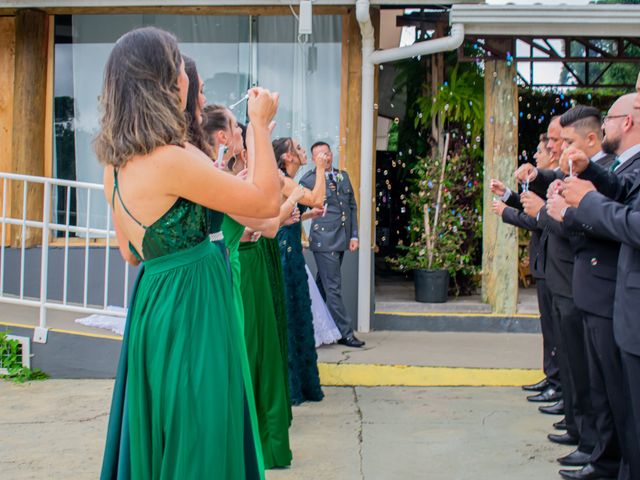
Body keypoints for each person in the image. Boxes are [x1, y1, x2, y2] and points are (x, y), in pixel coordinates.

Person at [97, 27, 281, 479]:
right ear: (163, 80)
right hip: (193, 308)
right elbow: (266, 203)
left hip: (154, 307)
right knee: (201, 430)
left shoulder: (114, 167)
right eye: (179, 65)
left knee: (169, 427)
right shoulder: (172, 158)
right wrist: (258, 124)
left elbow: (129, 253)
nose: (186, 76)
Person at [552, 88, 640, 480]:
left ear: (630, 119)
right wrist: (590, 174)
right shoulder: (621, 166)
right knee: (617, 403)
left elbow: (629, 222)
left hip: (613, 294)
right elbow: (623, 195)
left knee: (624, 408)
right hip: (613, 296)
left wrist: (582, 204)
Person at [517, 116, 599, 465]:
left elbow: (579, 226)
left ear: (590, 139)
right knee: (566, 352)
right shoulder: (568, 174)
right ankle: (576, 422)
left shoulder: (600, 175)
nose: (553, 148)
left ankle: (591, 439)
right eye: (552, 142)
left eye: (562, 141)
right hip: (560, 273)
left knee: (584, 365)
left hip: (577, 279)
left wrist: (542, 213)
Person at [490, 132, 562, 404]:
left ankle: (557, 382)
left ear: (552, 154)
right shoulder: (546, 180)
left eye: (540, 152)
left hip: (552, 263)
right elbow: (530, 209)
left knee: (556, 329)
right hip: (544, 262)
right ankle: (551, 376)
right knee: (549, 327)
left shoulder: (555, 181)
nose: (535, 157)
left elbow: (536, 219)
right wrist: (508, 194)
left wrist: (505, 212)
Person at [273, 137, 326, 405]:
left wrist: (306, 216)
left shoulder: (286, 181)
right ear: (287, 158)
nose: (302, 151)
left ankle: (301, 384)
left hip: (292, 249)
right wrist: (320, 167)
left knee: (297, 314)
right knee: (291, 315)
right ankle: (293, 385)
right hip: (286, 253)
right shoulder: (282, 180)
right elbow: (317, 198)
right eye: (296, 148)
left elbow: (288, 217)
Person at [299, 142, 364, 348]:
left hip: (342, 239)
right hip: (324, 240)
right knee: (333, 287)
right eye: (319, 155)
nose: (324, 158)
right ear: (312, 159)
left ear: (331, 154)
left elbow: (351, 206)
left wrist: (353, 235)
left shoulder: (342, 176)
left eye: (326, 153)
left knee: (322, 287)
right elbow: (297, 209)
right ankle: (345, 332)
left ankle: (311, 326)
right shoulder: (308, 179)